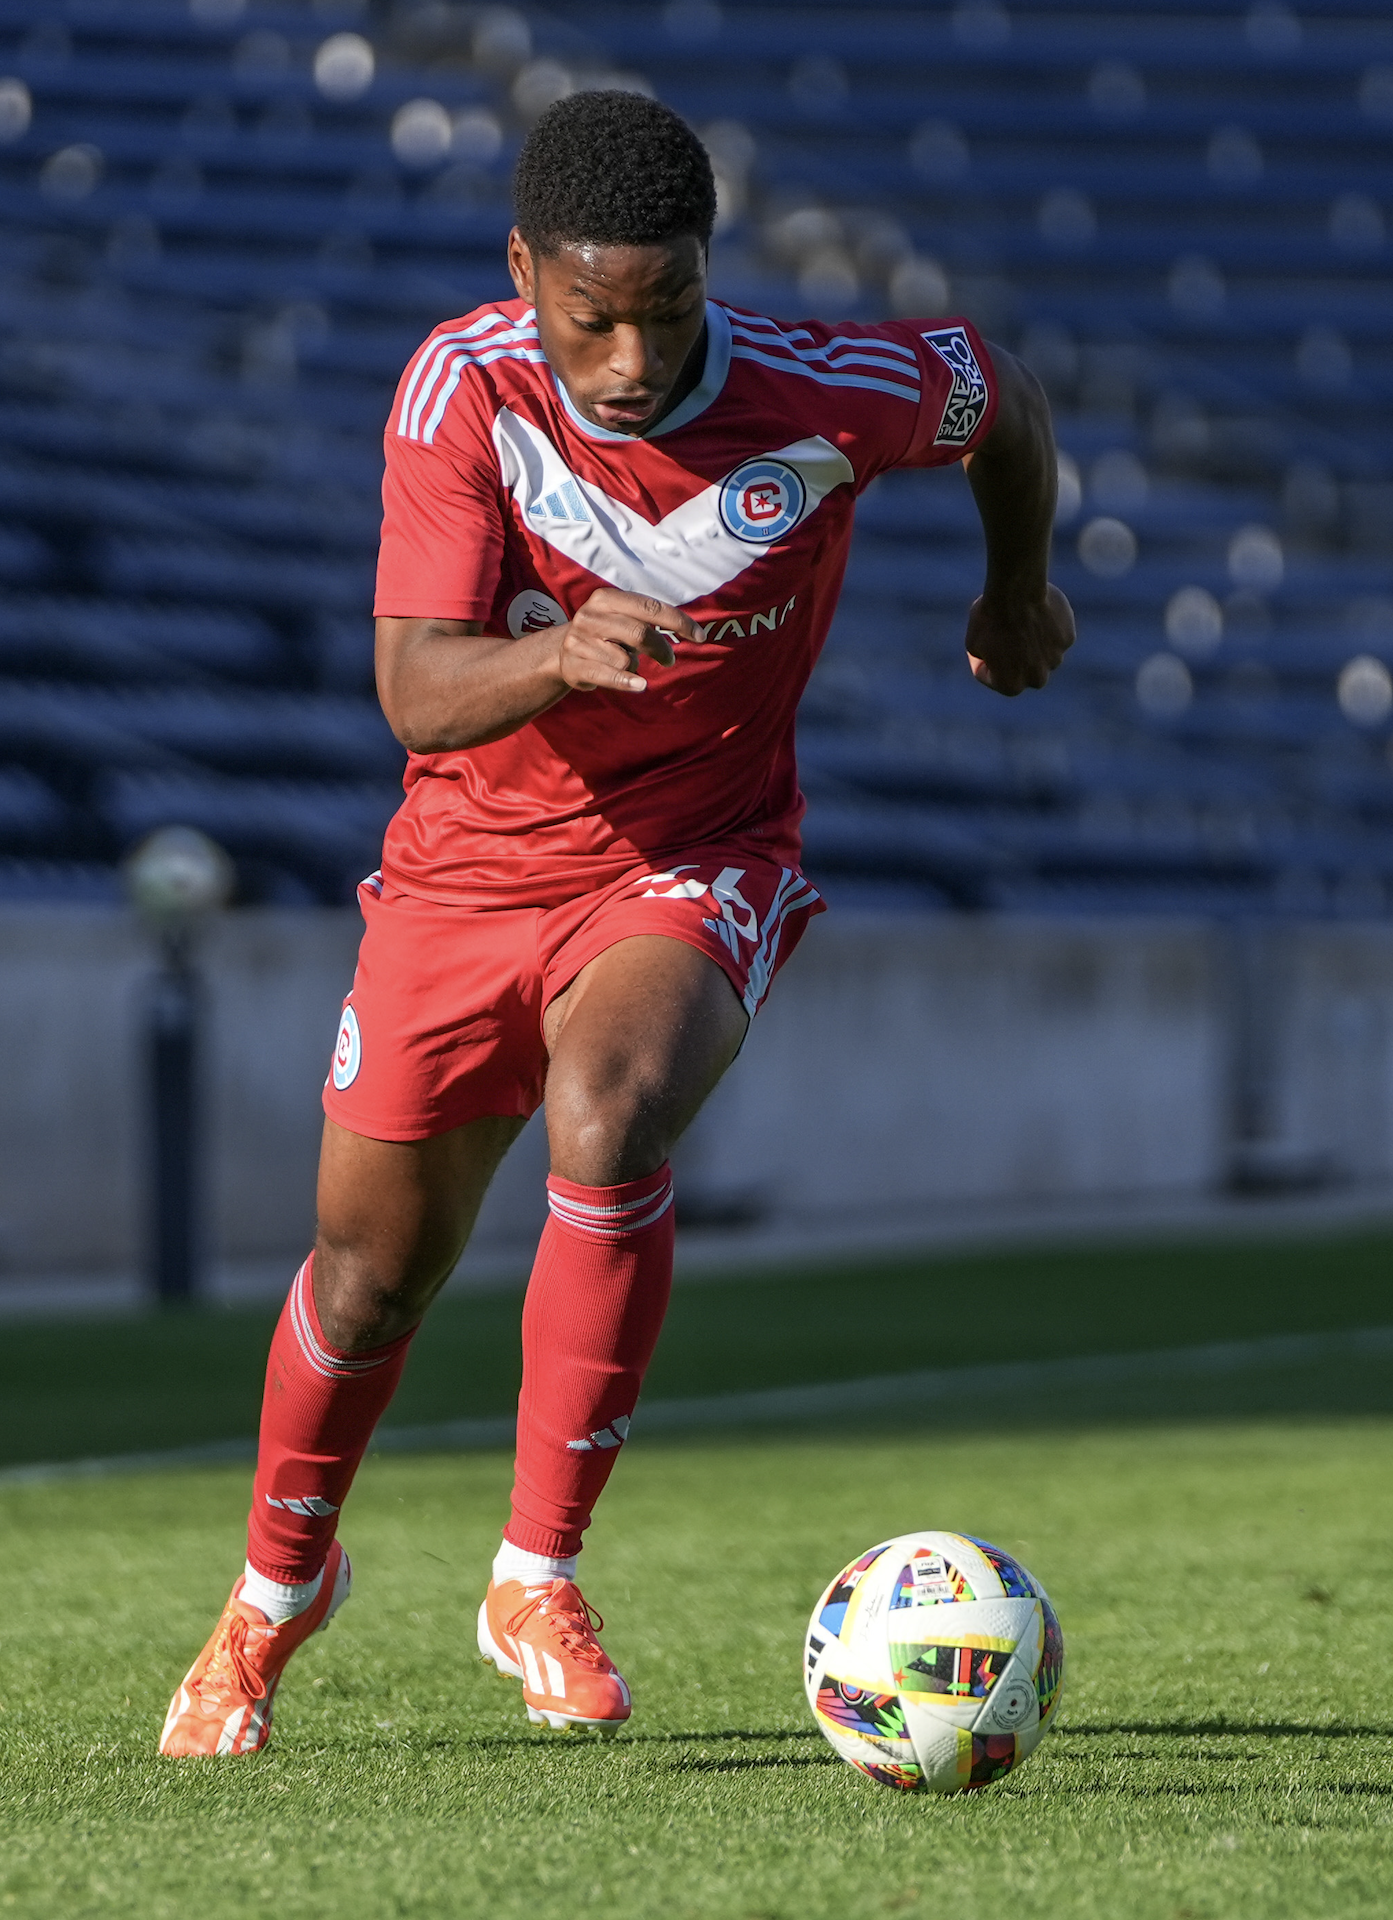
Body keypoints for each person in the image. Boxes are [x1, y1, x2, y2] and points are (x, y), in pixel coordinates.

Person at [159, 90, 1073, 1756]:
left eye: (665, 307)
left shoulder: (831, 392)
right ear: (527, 273)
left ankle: (535, 1574)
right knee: (367, 1280)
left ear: (708, 267)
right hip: (459, 882)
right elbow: (413, 688)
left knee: (610, 1106)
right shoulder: (467, 390)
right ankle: (272, 1599)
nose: (632, 357)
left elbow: (1002, 401)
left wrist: (1013, 589)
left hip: (693, 853)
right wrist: (557, 655)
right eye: (593, 317)